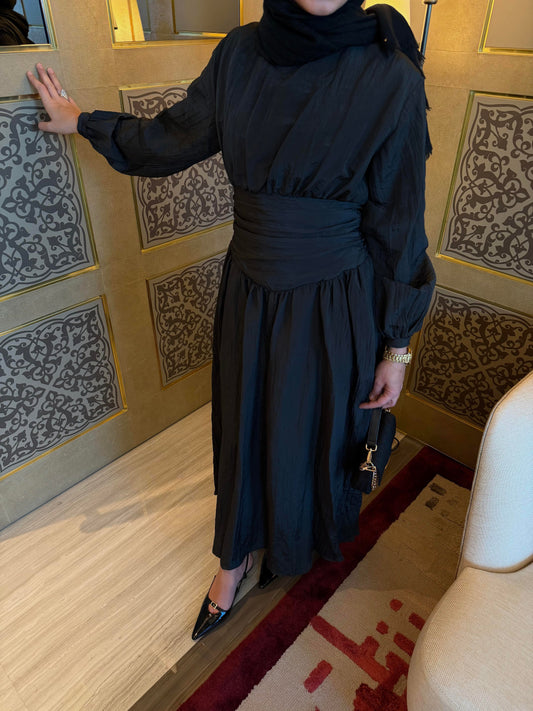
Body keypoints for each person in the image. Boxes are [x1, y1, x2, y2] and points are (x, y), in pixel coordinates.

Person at [27, 0, 436, 642]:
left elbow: (400, 223)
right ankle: (234, 557)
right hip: (250, 288)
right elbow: (171, 137)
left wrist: (397, 344)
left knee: (312, 426)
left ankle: (291, 539)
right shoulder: (240, 53)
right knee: (246, 425)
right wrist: (83, 121)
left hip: (336, 297)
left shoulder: (392, 75)